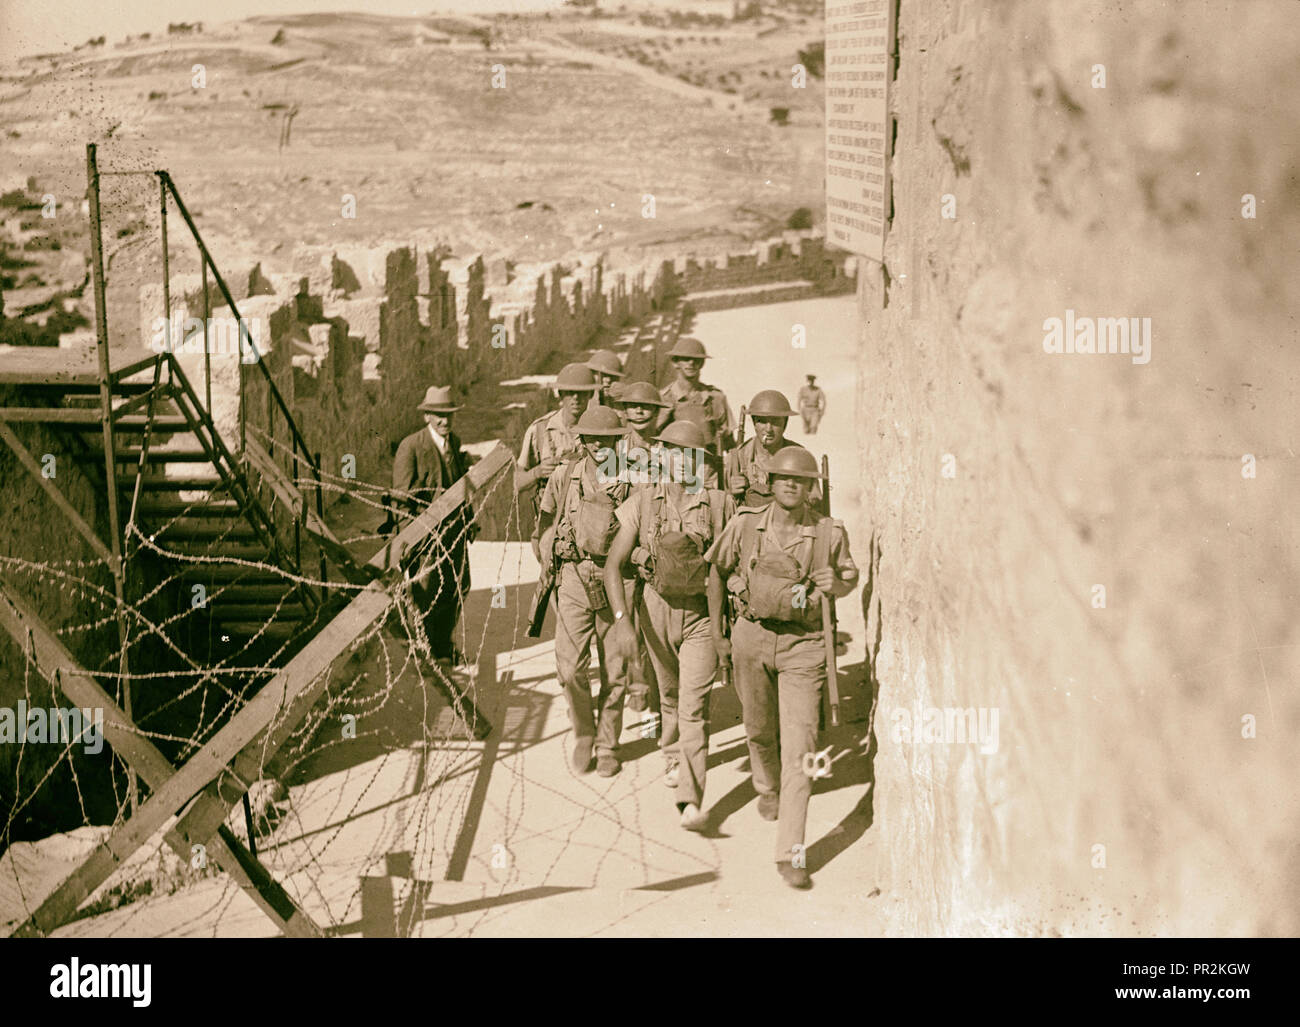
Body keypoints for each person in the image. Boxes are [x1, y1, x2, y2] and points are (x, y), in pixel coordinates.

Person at [704, 446, 858, 888]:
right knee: (757, 728)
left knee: (802, 748)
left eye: (800, 480)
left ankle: (791, 850)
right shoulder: (746, 523)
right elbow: (716, 570)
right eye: (783, 478)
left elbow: (849, 576)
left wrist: (841, 583)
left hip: (804, 646)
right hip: (750, 638)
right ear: (771, 482)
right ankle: (765, 785)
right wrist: (719, 634)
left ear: (811, 486)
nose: (791, 485)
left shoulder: (829, 533)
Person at [605, 420, 736, 831]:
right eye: (672, 452)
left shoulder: (719, 504)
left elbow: (733, 562)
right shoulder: (643, 502)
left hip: (701, 614)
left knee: (694, 705)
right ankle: (672, 753)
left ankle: (690, 801)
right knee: (670, 694)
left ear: (702, 462)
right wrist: (623, 622)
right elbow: (614, 565)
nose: (680, 461)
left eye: (689, 454)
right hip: (653, 609)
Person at [533, 405, 633, 777]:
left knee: (615, 666)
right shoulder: (566, 476)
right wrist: (548, 555)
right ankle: (584, 733)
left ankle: (608, 743)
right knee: (570, 664)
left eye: (608, 440)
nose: (600, 446)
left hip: (616, 579)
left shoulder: (633, 480)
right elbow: (544, 519)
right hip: (573, 574)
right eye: (593, 439)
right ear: (584, 441)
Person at [391, 385, 475, 666]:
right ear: (427, 415)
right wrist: (411, 539)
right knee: (427, 593)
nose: (444, 421)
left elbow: (461, 486)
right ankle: (426, 648)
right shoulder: (411, 447)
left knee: (457, 587)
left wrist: (470, 519)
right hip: (425, 539)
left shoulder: (454, 442)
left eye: (449, 415)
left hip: (454, 535)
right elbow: (400, 500)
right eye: (438, 415)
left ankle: (443, 645)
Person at [515, 363, 598, 511]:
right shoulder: (540, 430)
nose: (576, 398)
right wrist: (537, 472)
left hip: (589, 516)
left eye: (582, 392)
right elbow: (517, 483)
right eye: (569, 392)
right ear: (560, 393)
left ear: (590, 394)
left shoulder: (600, 429)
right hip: (551, 517)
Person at [727, 389, 817, 509]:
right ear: (754, 423)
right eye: (762, 422)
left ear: (785, 423)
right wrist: (730, 492)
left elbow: (816, 503)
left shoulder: (799, 457)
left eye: (775, 422)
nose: (768, 429)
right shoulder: (738, 457)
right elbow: (719, 506)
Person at [657, 337, 736, 457]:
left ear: (702, 363)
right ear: (675, 362)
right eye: (686, 359)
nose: (691, 363)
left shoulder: (715, 398)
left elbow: (729, 441)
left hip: (708, 466)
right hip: (676, 466)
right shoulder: (663, 398)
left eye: (696, 359)